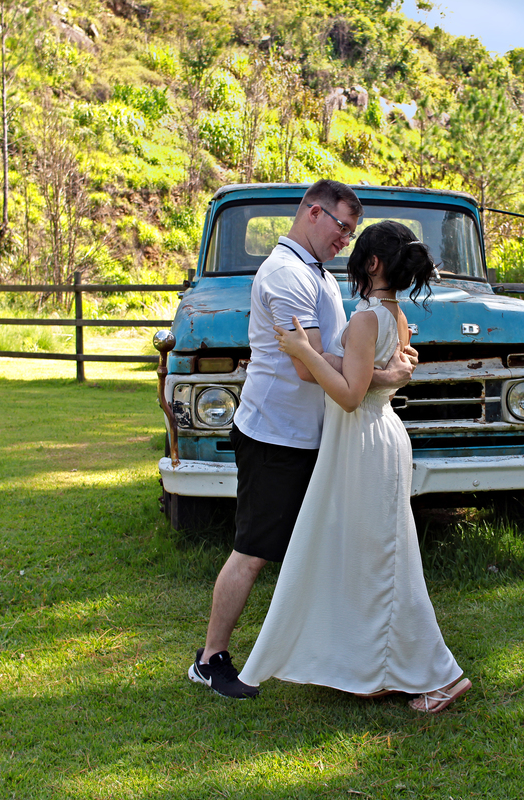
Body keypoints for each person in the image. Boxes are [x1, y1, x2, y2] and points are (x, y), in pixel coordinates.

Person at [188, 181, 417, 699]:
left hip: (318, 435)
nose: (345, 240)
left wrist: (381, 356)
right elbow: (307, 365)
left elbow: (337, 351)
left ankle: (338, 656)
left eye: (352, 233)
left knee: (326, 548)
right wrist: (384, 375)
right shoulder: (286, 275)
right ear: (313, 212)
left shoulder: (316, 271)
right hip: (277, 435)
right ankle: (210, 659)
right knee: (253, 551)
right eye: (342, 227)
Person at [238, 221, 472, 714]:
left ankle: (441, 675)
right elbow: (366, 374)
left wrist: (304, 352)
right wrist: (321, 356)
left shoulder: (367, 318)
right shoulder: (394, 316)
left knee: (386, 560)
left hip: (366, 440)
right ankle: (377, 668)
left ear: (372, 263)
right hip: (371, 437)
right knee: (370, 560)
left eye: (356, 254)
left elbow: (349, 394)